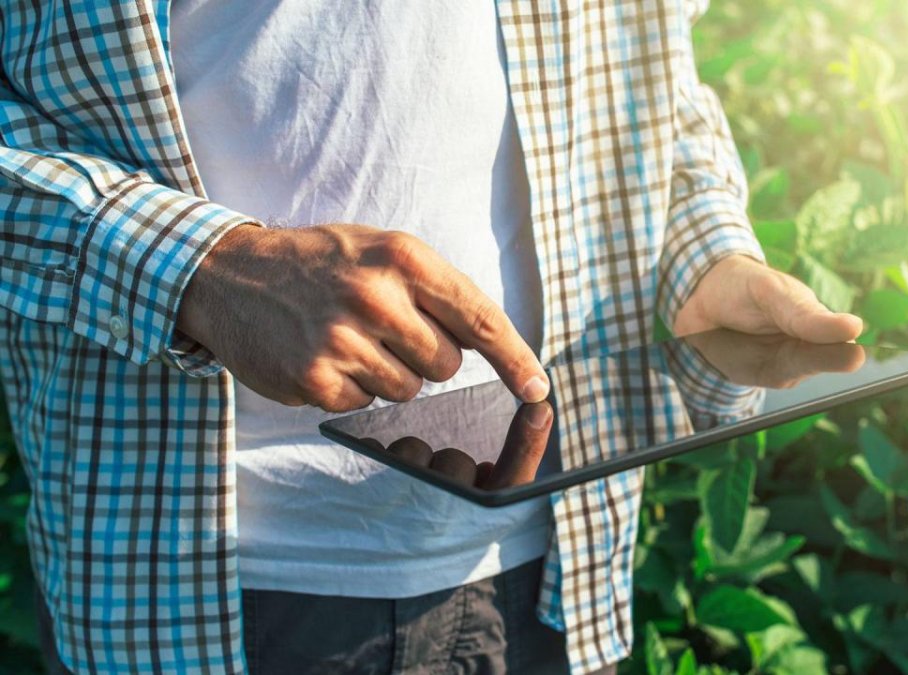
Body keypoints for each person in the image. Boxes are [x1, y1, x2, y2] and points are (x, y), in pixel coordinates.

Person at [0, 0, 863, 673]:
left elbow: (651, 71)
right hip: (212, 590)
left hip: (560, 572)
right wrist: (202, 270)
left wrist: (701, 252)